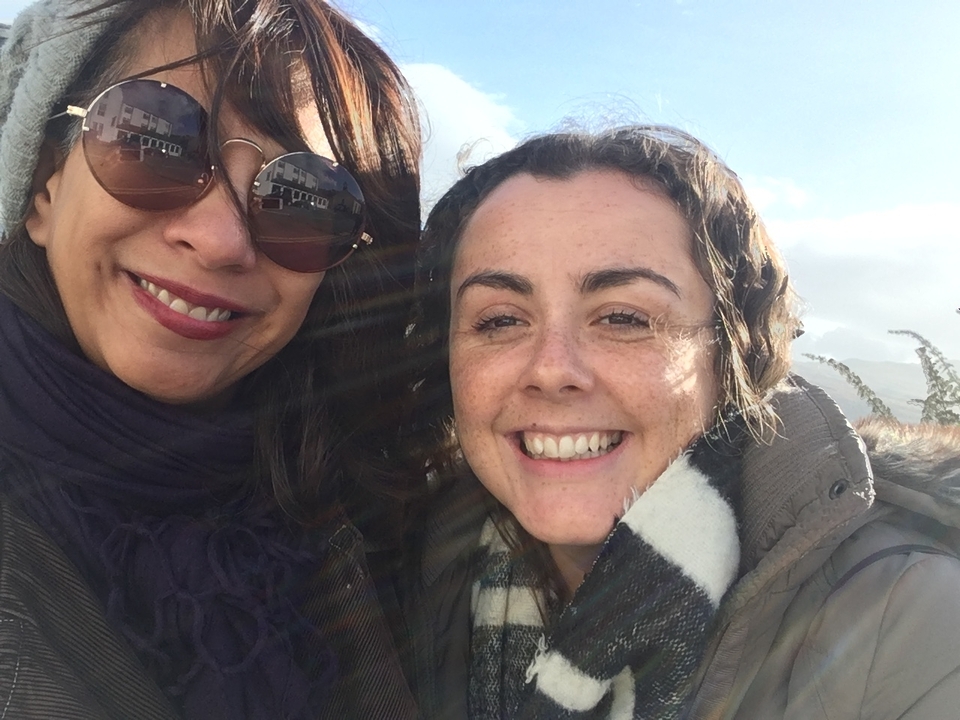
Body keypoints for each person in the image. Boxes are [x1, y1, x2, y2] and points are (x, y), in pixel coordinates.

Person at [402, 126, 960, 719]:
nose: (551, 369)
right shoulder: (401, 589)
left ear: (733, 357)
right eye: (500, 321)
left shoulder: (911, 623)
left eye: (623, 317)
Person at [0, 0, 421, 717]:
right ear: (43, 188)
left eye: (302, 198)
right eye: (153, 139)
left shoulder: (374, 515)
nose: (222, 238)